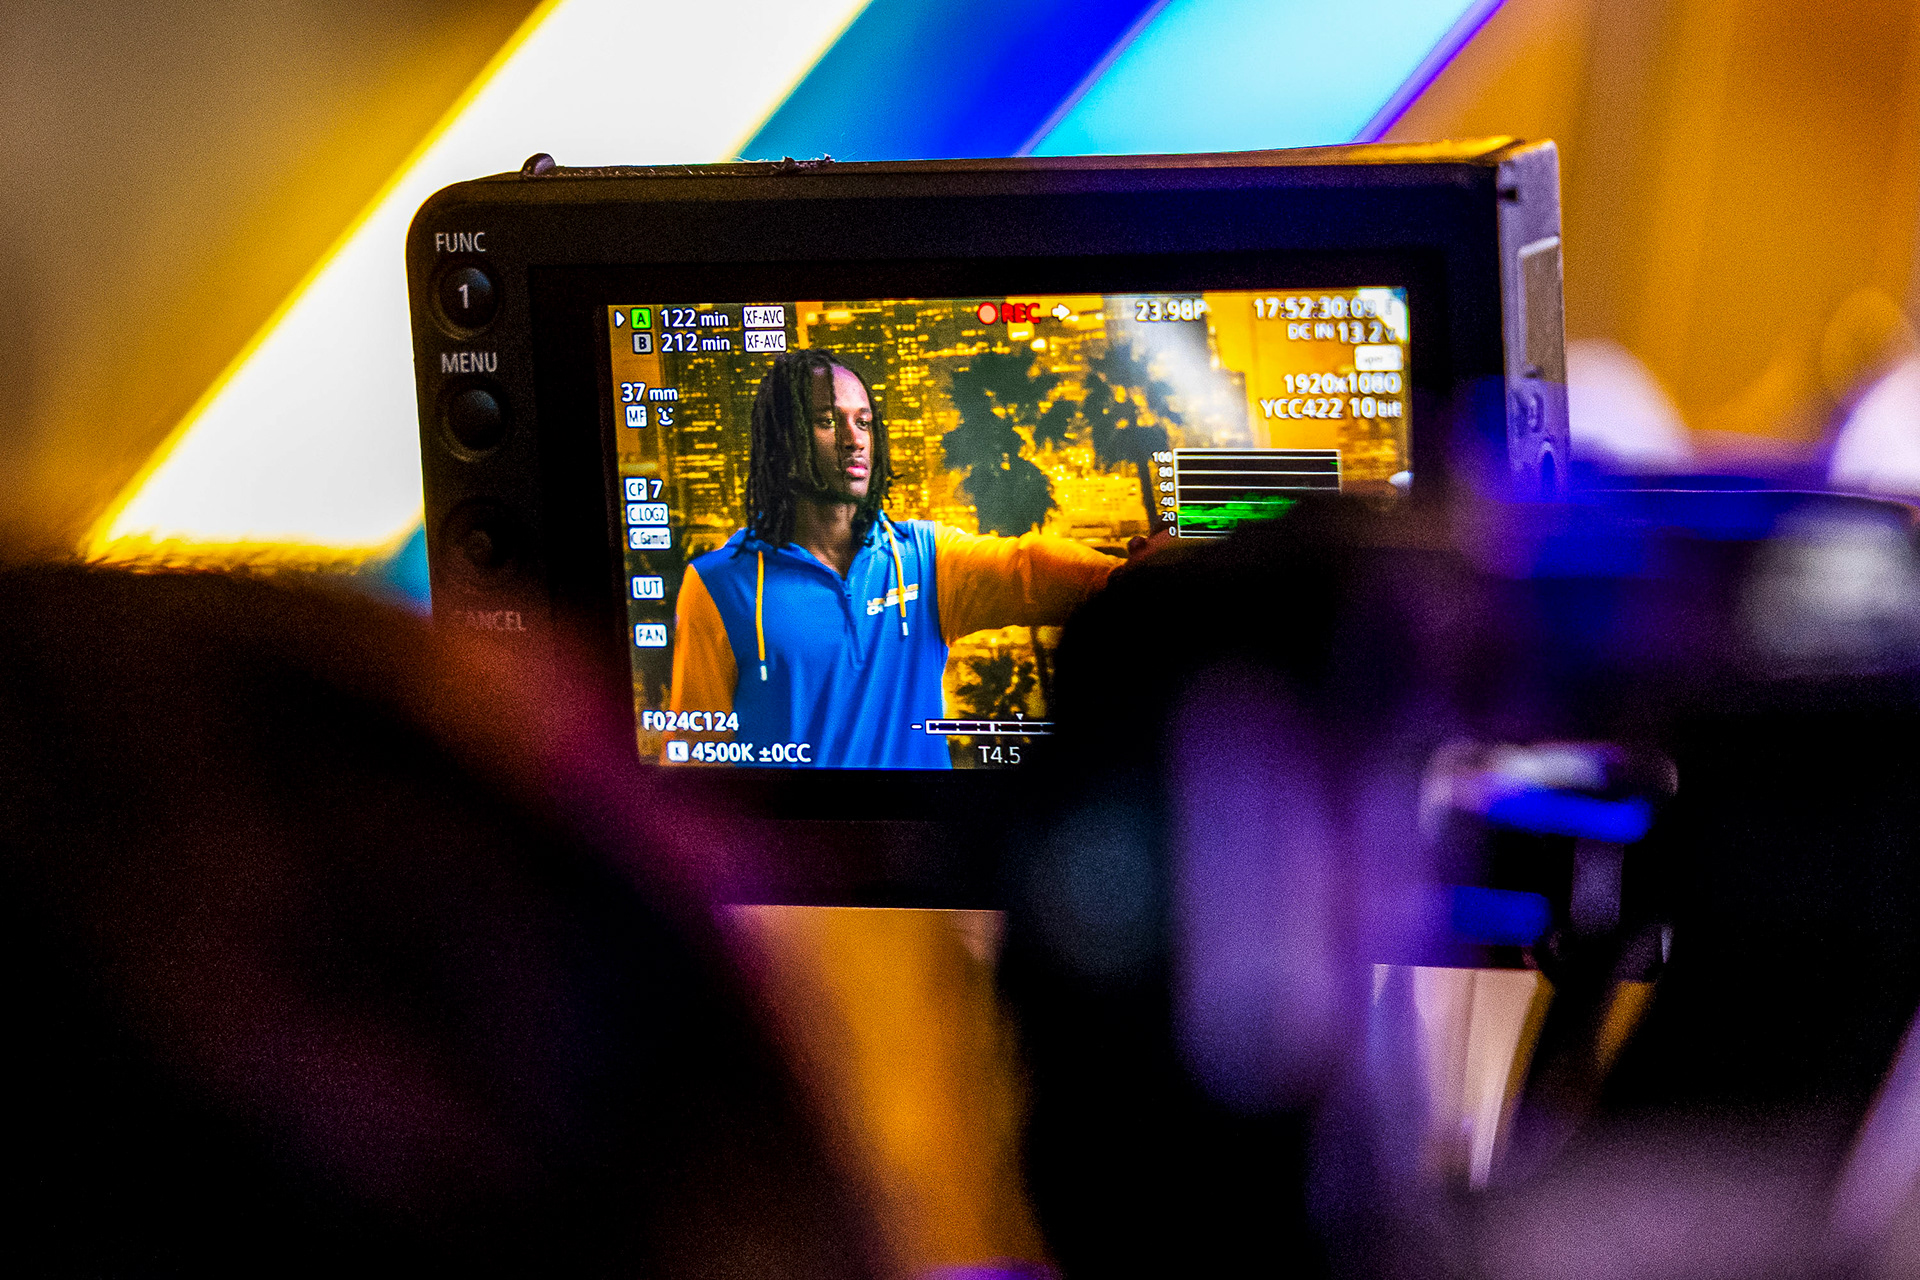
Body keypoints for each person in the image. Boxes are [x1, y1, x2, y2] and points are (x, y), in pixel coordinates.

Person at [668, 348, 1123, 768]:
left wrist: (1138, 574)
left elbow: (1029, 569)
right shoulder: (718, 585)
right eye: (827, 421)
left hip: (926, 830)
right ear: (783, 443)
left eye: (863, 422)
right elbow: (695, 765)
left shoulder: (924, 557)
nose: (854, 439)